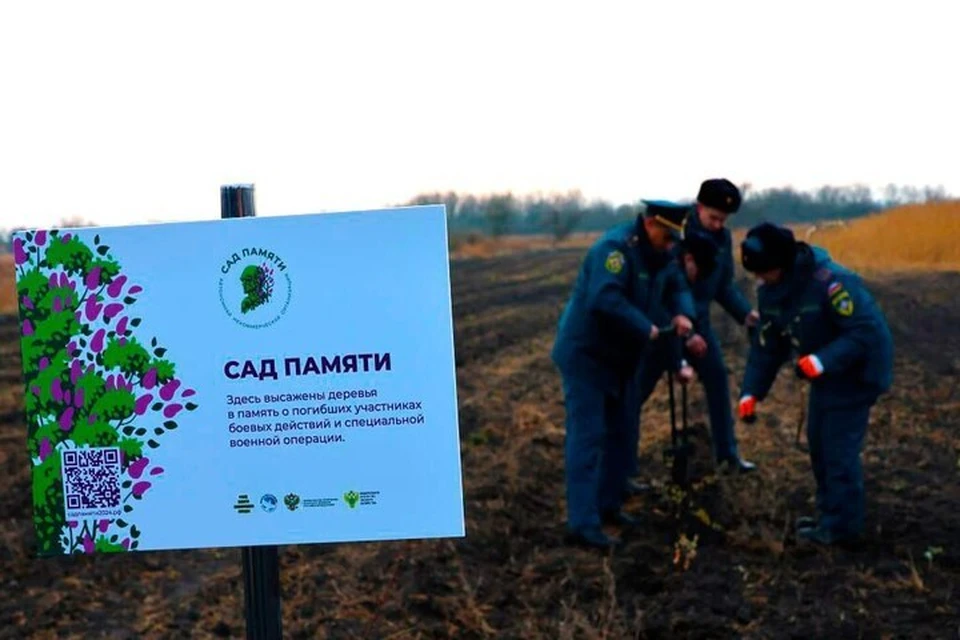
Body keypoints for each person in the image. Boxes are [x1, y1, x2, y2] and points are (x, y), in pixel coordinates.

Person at [736, 222, 894, 545]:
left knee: (837, 447)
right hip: (826, 375)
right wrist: (751, 392)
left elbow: (865, 333)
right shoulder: (771, 292)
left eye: (765, 272)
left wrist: (821, 360)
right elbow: (768, 346)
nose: (760, 280)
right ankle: (829, 514)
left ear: (782, 264)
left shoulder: (832, 283)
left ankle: (843, 528)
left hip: (857, 372)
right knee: (818, 442)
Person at [551, 200, 696, 549]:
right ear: (648, 223)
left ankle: (608, 505)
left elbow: (677, 286)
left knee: (622, 433)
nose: (671, 243)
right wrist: (644, 326)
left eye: (675, 237)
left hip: (622, 358)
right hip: (588, 355)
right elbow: (605, 298)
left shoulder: (661, 252)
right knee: (588, 438)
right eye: (666, 235)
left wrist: (682, 315)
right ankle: (582, 524)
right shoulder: (614, 251)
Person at [624, 227, 722, 490]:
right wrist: (679, 363)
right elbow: (663, 318)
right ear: (689, 260)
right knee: (628, 405)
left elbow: (681, 317)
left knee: (630, 405)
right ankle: (621, 473)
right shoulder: (667, 269)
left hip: (657, 342)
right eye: (697, 272)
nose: (696, 279)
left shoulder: (672, 266)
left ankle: (624, 472)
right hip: (642, 345)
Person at [680, 178, 759, 473]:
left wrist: (745, 314)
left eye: (722, 220)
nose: (717, 224)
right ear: (698, 207)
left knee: (717, 379)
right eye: (713, 217)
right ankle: (620, 467)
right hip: (667, 323)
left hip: (700, 324)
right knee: (638, 389)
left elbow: (723, 286)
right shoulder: (678, 232)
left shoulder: (723, 239)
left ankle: (728, 455)